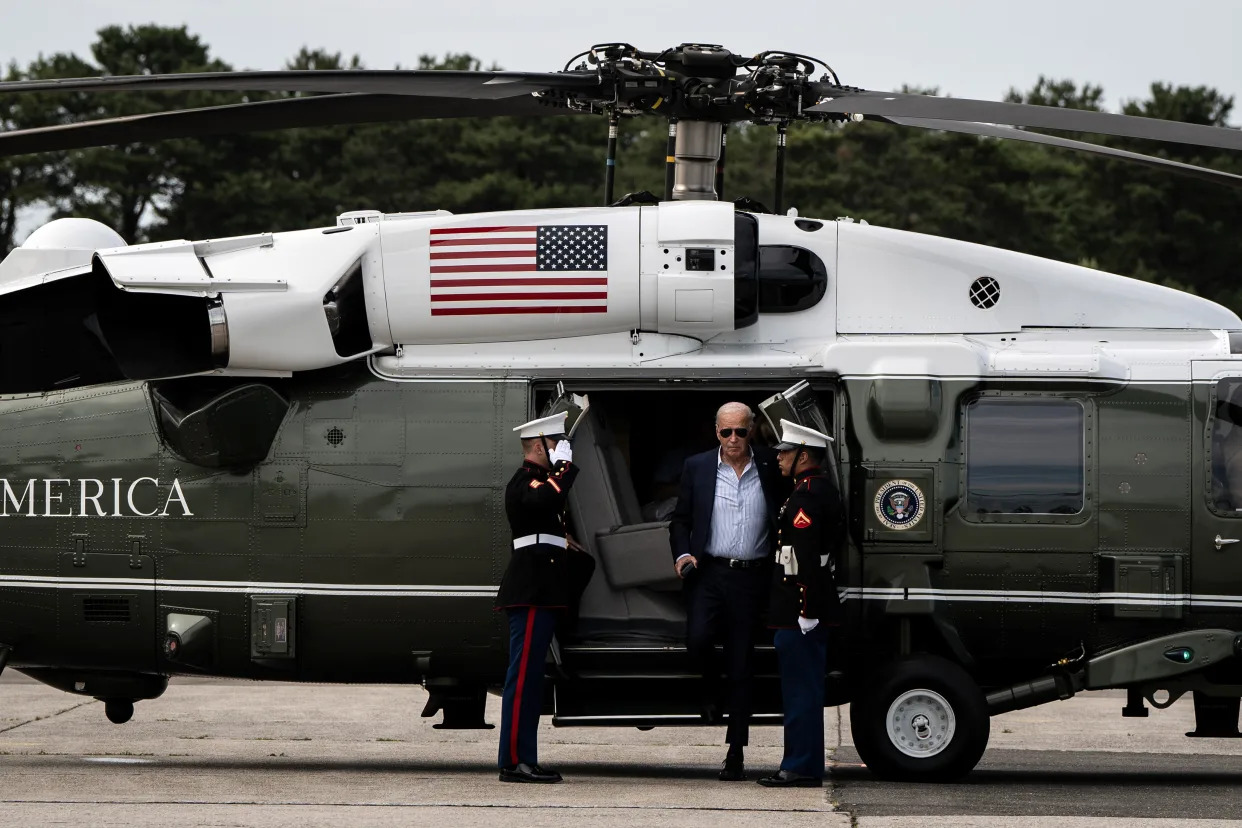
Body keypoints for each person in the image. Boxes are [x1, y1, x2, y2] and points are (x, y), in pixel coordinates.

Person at [669, 401, 784, 781]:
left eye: (740, 431)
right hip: (709, 572)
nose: (733, 439)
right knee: (698, 640)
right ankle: (708, 690)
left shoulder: (770, 464)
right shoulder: (698, 466)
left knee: (741, 664)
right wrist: (683, 552)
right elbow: (680, 519)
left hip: (752, 578)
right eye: (726, 432)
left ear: (752, 430)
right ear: (715, 431)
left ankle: (736, 752)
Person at [495, 411, 594, 784]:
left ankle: (524, 759)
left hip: (542, 590)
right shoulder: (527, 482)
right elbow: (547, 500)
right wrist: (565, 466)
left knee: (531, 678)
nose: (559, 451)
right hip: (532, 591)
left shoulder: (538, 480)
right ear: (540, 446)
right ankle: (516, 762)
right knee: (522, 678)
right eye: (555, 444)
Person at [757, 419, 844, 788]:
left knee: (801, 694)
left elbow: (806, 559)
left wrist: (806, 611)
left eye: (785, 453)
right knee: (800, 692)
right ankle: (800, 764)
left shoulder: (808, 495)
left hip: (800, 613)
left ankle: (801, 766)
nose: (779, 459)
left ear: (804, 455)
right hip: (799, 611)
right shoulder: (810, 490)